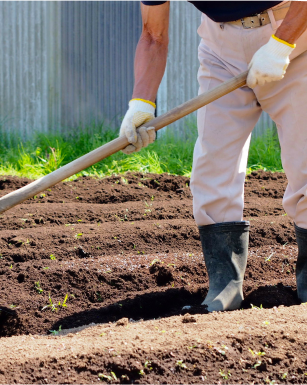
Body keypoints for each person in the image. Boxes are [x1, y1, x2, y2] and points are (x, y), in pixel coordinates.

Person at [120, 0, 307, 312]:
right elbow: (153, 35)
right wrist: (142, 102)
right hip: (221, 48)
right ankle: (225, 286)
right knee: (212, 169)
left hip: (295, 36)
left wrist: (281, 44)